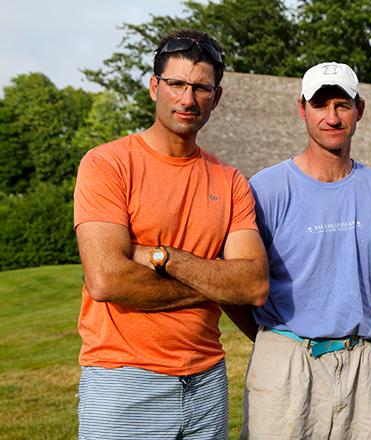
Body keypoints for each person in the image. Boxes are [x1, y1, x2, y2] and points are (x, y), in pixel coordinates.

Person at [73, 29, 269, 440]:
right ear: (153, 87)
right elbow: (107, 280)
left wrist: (162, 258)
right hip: (123, 380)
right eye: (176, 84)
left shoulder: (230, 180)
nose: (187, 98)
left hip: (206, 381)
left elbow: (251, 284)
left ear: (216, 98)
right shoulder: (107, 165)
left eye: (201, 88)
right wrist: (217, 280)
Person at [237, 62, 371, 439]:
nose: (331, 117)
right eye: (320, 105)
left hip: (359, 361)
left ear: (359, 109)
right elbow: (238, 285)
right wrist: (275, 339)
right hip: (286, 361)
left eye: (342, 104)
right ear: (302, 108)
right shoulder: (267, 190)